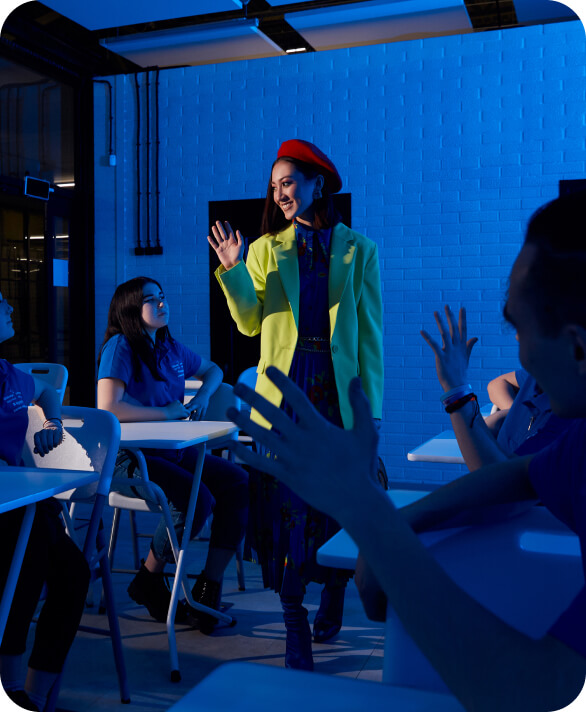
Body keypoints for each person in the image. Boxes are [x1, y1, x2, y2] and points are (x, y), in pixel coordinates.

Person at [225, 191, 586, 711]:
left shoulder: (357, 251)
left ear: (577, 347)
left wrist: (371, 520)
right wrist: (392, 525)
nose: (521, 358)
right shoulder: (578, 443)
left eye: (518, 327)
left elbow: (534, 689)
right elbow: (522, 477)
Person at [208, 139, 383, 669]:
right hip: (284, 394)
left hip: (335, 393)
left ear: (317, 183)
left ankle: (333, 588)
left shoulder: (360, 250)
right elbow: (248, 322)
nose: (280, 193)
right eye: (275, 186)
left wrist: (371, 414)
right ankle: (293, 619)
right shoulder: (265, 248)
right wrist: (233, 269)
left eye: (289, 182)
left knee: (335, 501)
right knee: (286, 505)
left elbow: (370, 339)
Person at [97, 277, 248, 634]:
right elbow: (108, 407)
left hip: (173, 453)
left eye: (163, 297)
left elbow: (213, 370)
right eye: (152, 300)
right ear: (131, 309)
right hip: (131, 458)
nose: (162, 304)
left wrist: (202, 397)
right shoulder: (120, 346)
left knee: (238, 481)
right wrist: (166, 412)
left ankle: (208, 587)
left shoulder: (169, 346)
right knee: (198, 500)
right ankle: (149, 578)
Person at [0, 290, 90, 712]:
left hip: (21, 502)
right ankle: (12, 691)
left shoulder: (8, 373)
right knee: (27, 558)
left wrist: (53, 421)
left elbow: (46, 391)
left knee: (72, 572)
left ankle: (32, 698)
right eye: (0, 302)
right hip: (13, 509)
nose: (11, 308)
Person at [420, 309, 578, 472]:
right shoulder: (536, 378)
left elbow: (498, 477)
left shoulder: (568, 425)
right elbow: (496, 385)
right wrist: (511, 412)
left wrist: (456, 389)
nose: (517, 336)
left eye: (523, 325)